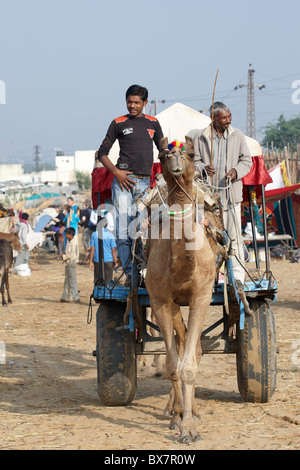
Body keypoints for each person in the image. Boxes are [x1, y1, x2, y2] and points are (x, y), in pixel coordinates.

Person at [96, 84, 164, 285]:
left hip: (145, 183)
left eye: (136, 102)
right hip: (123, 183)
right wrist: (116, 172)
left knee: (143, 230)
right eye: (129, 102)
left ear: (145, 103)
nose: (132, 106)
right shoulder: (118, 122)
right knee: (124, 231)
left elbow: (162, 149)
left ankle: (145, 273)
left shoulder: (153, 123)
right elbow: (102, 153)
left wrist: (173, 150)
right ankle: (130, 275)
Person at [193, 101, 252, 287]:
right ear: (213, 119)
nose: (228, 120)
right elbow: (193, 162)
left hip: (231, 196)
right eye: (224, 118)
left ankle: (237, 278)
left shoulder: (238, 135)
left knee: (234, 237)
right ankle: (210, 277)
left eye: (229, 116)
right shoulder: (201, 137)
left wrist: (235, 171)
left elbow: (247, 161)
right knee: (208, 239)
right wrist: (203, 168)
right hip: (208, 199)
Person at [60, 227, 80, 303]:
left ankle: (75, 297)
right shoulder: (69, 241)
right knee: (67, 280)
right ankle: (65, 297)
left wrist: (63, 256)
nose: (65, 236)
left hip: (72, 262)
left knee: (72, 281)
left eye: (67, 234)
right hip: (68, 263)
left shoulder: (74, 242)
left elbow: (72, 255)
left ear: (71, 234)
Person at [64, 197, 80, 262]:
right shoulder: (68, 213)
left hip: (74, 230)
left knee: (74, 244)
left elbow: (78, 218)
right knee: (69, 244)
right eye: (67, 201)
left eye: (69, 201)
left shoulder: (76, 208)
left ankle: (75, 257)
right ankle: (69, 256)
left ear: (72, 201)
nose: (68, 202)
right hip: (68, 230)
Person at [80, 199, 95, 263]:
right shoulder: (93, 210)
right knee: (92, 241)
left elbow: (83, 219)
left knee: (84, 240)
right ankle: (92, 255)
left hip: (87, 228)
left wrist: (80, 223)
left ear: (85, 204)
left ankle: (87, 251)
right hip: (94, 228)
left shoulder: (85, 211)